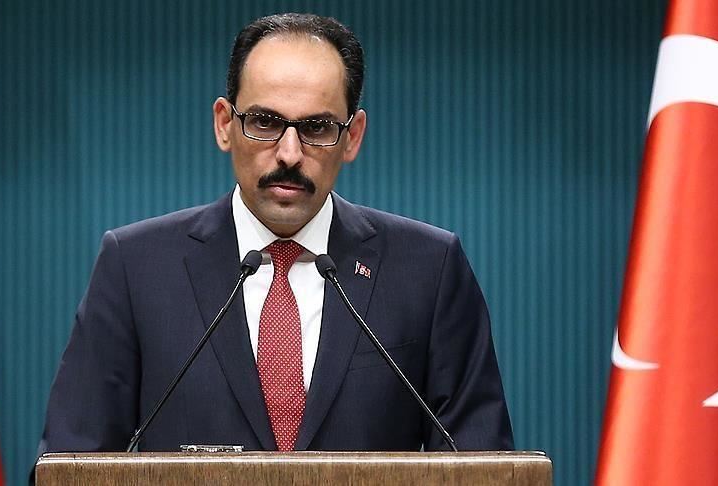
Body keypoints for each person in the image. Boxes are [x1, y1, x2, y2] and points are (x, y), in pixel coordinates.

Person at [38, 12, 513, 456]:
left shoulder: (429, 269)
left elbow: (484, 468)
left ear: (352, 136)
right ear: (225, 124)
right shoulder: (135, 268)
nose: (289, 153)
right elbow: (70, 464)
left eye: (317, 127)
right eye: (264, 122)